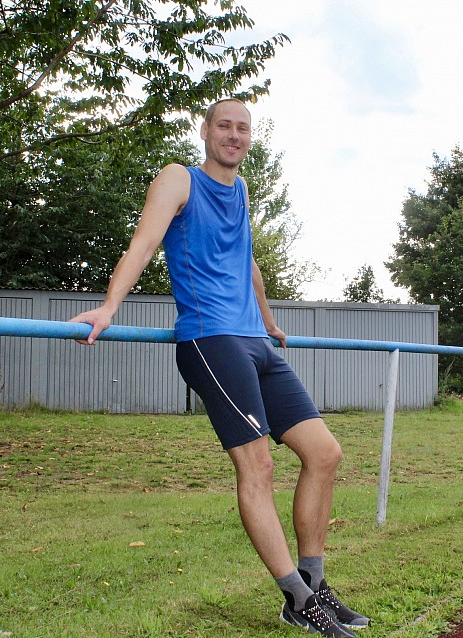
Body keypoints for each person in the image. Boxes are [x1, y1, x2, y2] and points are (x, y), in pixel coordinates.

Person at [70, 98, 369, 637]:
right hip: (209, 338)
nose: (234, 135)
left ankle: (314, 581)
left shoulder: (243, 190)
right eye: (224, 126)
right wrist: (110, 306)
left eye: (243, 129)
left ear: (250, 137)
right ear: (205, 131)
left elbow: (246, 259)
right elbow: (144, 242)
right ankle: (298, 600)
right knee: (257, 468)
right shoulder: (178, 179)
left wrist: (270, 319)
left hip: (253, 339)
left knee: (325, 454)